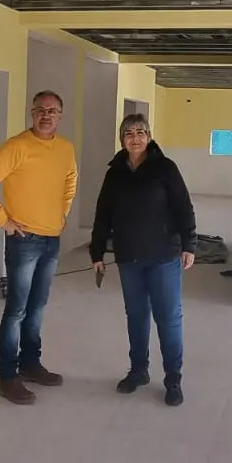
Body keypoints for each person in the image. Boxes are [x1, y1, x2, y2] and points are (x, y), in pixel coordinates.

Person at [0, 90, 78, 405]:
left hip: (51, 239)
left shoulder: (65, 149)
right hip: (24, 241)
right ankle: (7, 376)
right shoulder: (17, 146)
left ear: (60, 116)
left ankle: (31, 364)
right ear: (32, 113)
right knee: (17, 309)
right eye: (40, 109)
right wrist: (1, 219)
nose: (46, 115)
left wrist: (61, 213)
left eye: (52, 111)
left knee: (37, 306)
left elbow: (70, 181)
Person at [90, 113, 196, 407]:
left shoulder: (165, 168)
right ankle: (138, 370)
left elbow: (183, 207)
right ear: (122, 139)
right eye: (128, 133)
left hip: (163, 257)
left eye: (140, 132)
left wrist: (189, 244)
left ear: (149, 137)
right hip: (129, 258)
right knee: (136, 316)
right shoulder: (115, 173)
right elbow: (103, 214)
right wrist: (97, 252)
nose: (135, 138)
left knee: (168, 319)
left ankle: (173, 379)